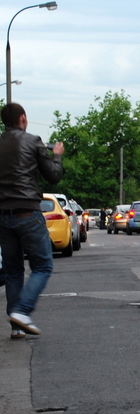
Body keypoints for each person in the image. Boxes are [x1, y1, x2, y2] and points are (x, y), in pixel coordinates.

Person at [0, 103, 65, 337]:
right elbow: (53, 175)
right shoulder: (33, 140)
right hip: (28, 212)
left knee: (13, 270)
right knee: (43, 266)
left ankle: (16, 326)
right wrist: (56, 155)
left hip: (3, 215)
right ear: (23, 118)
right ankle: (22, 311)